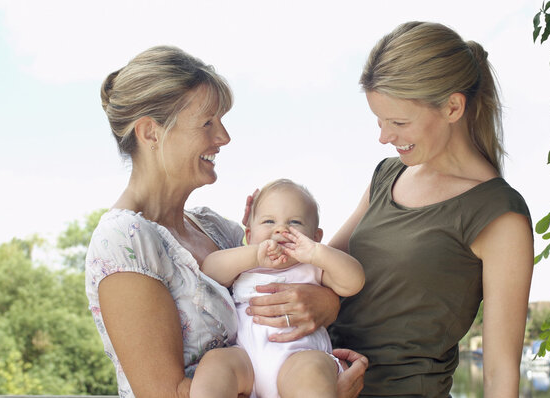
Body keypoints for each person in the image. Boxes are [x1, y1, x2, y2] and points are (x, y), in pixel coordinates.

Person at [84, 45, 367, 398]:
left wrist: (325, 303)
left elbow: (296, 279)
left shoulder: (219, 229)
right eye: (207, 122)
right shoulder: (124, 241)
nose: (224, 137)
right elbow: (165, 393)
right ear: (150, 133)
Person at [325, 22, 534, 397]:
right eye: (380, 120)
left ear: (453, 106)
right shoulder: (387, 176)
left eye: (399, 122)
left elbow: (500, 375)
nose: (384, 137)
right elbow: (323, 269)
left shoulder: (499, 215)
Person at [191, 179, 365, 398]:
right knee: (216, 362)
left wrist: (317, 254)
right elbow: (211, 270)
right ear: (249, 234)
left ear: (315, 237)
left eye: (295, 222)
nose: (281, 229)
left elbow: (353, 281)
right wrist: (253, 254)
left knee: (313, 372)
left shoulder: (313, 267)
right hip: (246, 362)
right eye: (268, 221)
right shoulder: (245, 264)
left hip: (299, 358)